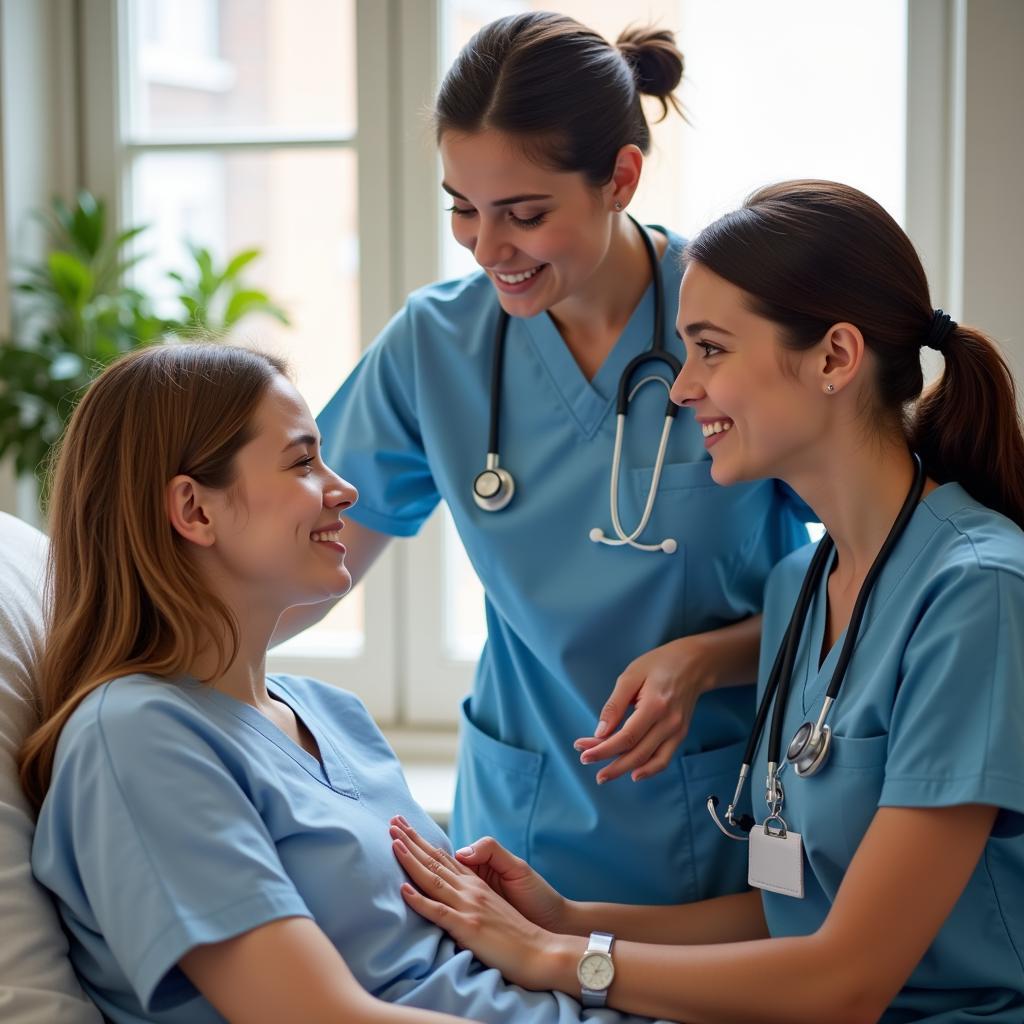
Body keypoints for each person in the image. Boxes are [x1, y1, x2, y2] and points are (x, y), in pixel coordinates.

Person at [386, 180, 1024, 1023]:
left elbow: (848, 979)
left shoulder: (976, 591)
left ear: (835, 358)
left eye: (712, 350)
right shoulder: (801, 590)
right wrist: (570, 920)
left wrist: (558, 958)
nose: (680, 389)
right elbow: (791, 906)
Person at [278, 10, 810, 905]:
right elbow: (296, 569)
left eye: (525, 214)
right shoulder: (436, 346)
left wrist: (708, 658)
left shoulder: (738, 324)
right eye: (463, 210)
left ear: (621, 179)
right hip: (520, 833)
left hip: (723, 827)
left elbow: (874, 579)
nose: (489, 249)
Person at [21, 344, 677, 1024]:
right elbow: (320, 1017)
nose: (345, 489)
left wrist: (555, 930)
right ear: (195, 510)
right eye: (303, 462)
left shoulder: (330, 713)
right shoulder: (136, 738)